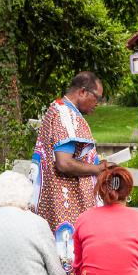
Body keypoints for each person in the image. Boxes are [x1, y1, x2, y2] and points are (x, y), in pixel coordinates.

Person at [31, 72, 112, 239]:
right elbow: (64, 163)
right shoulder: (66, 116)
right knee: (68, 253)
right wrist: (97, 169)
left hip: (57, 201)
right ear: (82, 92)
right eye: (97, 98)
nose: (97, 104)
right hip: (66, 203)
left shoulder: (58, 109)